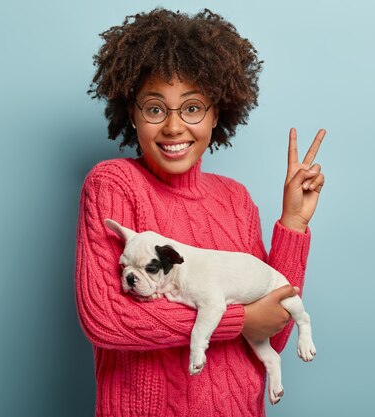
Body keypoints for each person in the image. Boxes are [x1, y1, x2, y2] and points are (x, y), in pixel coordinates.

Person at [75, 8, 326, 417]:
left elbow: (273, 331)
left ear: (217, 113)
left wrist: (294, 224)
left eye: (192, 108)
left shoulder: (236, 200)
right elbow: (107, 318)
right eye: (155, 108)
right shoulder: (114, 183)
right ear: (132, 112)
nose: (174, 127)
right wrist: (239, 318)